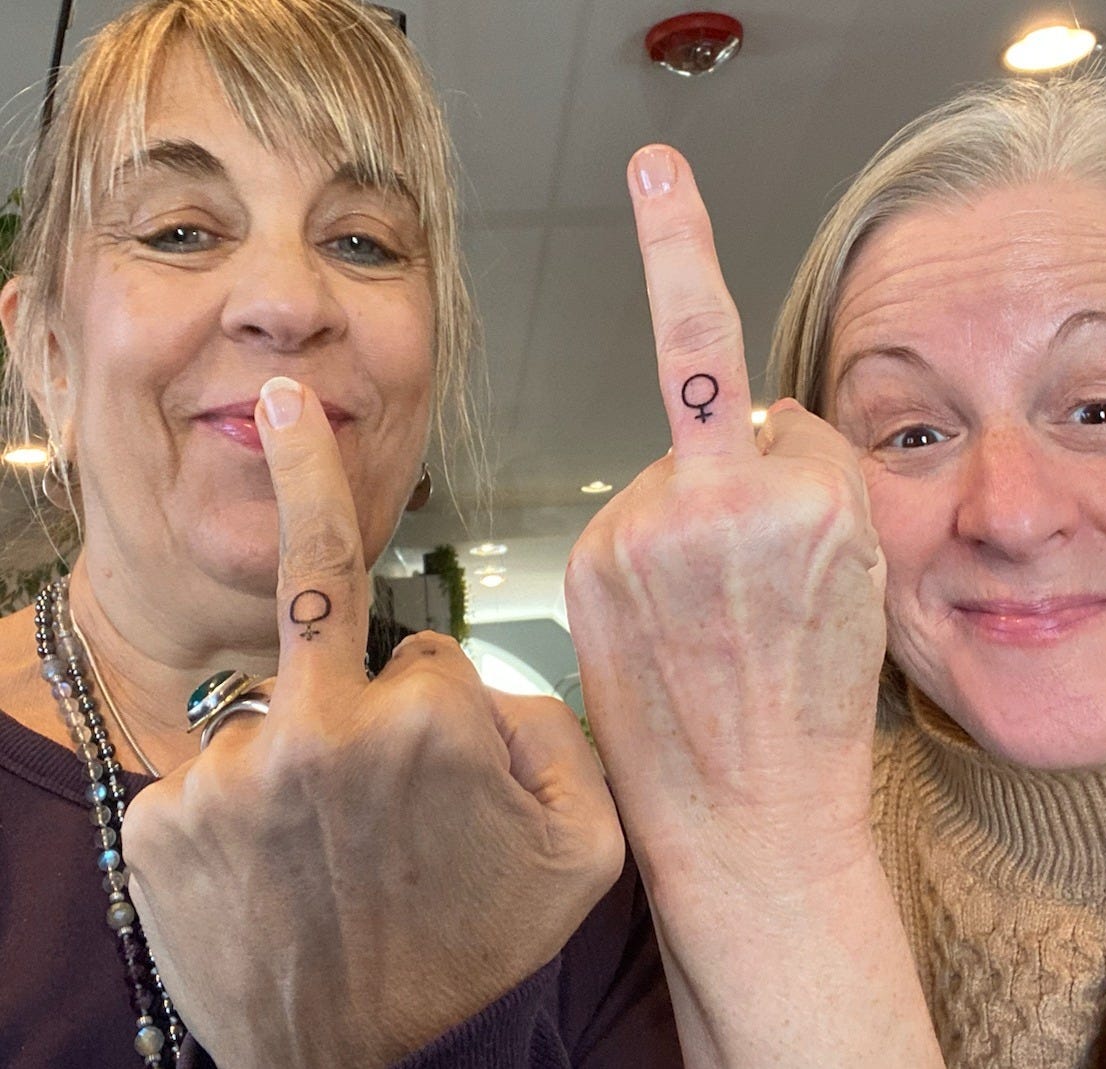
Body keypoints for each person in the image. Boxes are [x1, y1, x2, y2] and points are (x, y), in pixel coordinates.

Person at [0, 2, 681, 1066]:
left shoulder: (558, 833)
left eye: (362, 241)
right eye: (181, 230)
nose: (284, 301)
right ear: (47, 352)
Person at [566, 71, 1106, 1068]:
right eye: (912, 431)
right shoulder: (646, 902)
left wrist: (779, 886)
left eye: (1099, 409)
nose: (1012, 514)